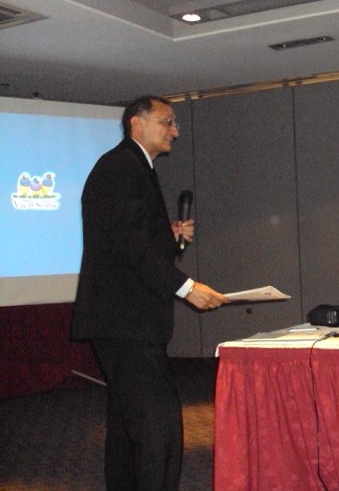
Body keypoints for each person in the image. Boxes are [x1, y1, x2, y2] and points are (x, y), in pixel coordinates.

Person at [70, 95, 229, 491]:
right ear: (137, 124)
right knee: (161, 427)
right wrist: (186, 287)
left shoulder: (134, 166)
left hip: (126, 322)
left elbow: (128, 240)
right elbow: (128, 244)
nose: (175, 131)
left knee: (128, 427)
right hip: (125, 323)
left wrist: (170, 239)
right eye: (167, 121)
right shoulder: (120, 166)